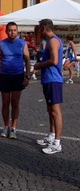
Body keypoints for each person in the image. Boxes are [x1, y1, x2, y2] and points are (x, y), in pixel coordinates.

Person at [0, 21, 31, 139]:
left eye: (14, 30)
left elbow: (28, 60)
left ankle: (13, 128)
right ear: (6, 31)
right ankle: (5, 126)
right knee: (5, 103)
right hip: (4, 76)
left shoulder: (22, 43)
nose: (12, 32)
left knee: (15, 103)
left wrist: (27, 76)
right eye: (10, 30)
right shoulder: (1, 44)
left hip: (18, 76)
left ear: (17, 31)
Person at [34, 19, 64, 154]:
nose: (40, 32)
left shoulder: (53, 41)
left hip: (53, 80)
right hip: (48, 79)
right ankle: (52, 135)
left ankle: (57, 143)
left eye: (40, 29)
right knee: (50, 109)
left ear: (44, 28)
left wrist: (39, 65)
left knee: (55, 111)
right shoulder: (50, 41)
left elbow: (54, 61)